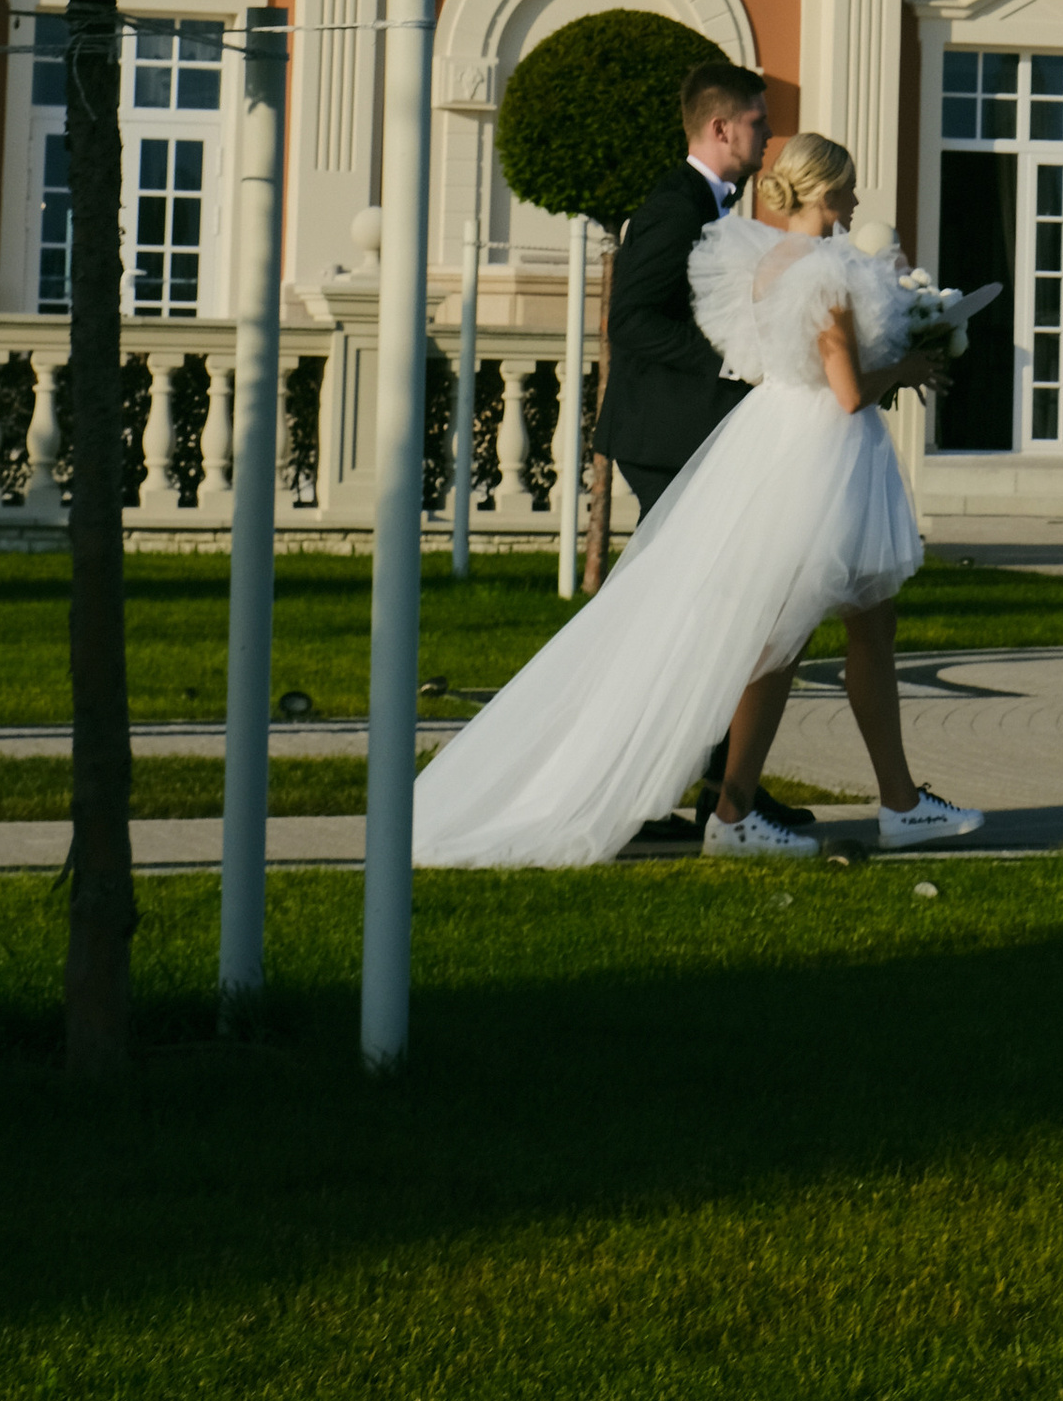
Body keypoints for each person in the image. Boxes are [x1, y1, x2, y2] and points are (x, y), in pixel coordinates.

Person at [410, 134, 982, 868]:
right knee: (793, 638)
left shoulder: (766, 262)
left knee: (844, 630)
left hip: (776, 442)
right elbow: (845, 394)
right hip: (821, 458)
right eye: (848, 190)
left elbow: (789, 365)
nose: (856, 202)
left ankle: (883, 804)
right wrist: (907, 364)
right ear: (822, 192)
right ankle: (756, 811)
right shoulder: (828, 271)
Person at [593, 58, 770, 844]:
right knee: (686, 617)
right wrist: (730, 359)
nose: (767, 134)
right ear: (721, 127)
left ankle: (723, 795)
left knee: (718, 615)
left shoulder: (716, 203)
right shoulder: (675, 204)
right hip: (665, 439)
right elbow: (631, 320)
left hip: (694, 433)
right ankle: (637, 798)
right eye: (759, 122)